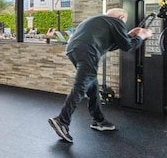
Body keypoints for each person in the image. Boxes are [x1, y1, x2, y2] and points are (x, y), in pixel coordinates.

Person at [48, 8, 153, 143]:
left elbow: (112, 45)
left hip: (73, 50)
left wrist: (130, 35)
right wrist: (142, 36)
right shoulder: (116, 21)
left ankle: (99, 120)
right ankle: (62, 120)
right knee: (81, 86)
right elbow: (127, 47)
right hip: (88, 51)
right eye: (124, 22)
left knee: (92, 86)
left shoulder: (95, 20)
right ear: (121, 17)